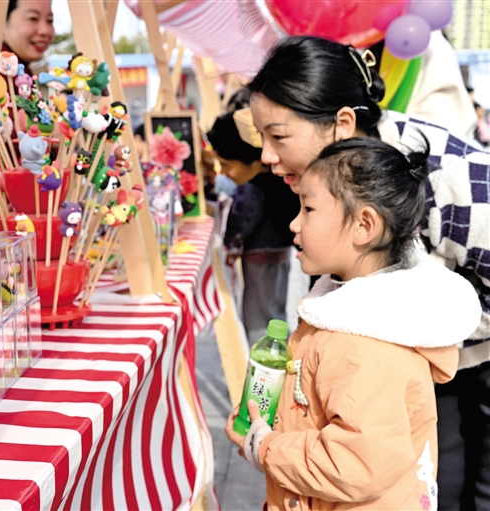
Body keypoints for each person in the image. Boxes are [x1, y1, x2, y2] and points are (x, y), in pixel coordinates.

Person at [244, 35, 490, 510]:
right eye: (261, 138)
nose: (268, 156)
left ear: (341, 124)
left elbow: (358, 462)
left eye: (278, 136)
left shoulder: (441, 179)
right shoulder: (334, 187)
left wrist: (428, 326)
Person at [208, 111, 299, 344]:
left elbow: (243, 219)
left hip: (261, 255)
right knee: (272, 308)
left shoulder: (252, 188)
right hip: (279, 252)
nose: (223, 172)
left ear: (258, 160)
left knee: (259, 315)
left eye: (226, 165)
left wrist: (232, 241)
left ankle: (268, 355)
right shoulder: (280, 180)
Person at [2, 0, 54, 74]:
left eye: (50, 20)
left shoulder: (21, 71)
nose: (45, 31)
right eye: (33, 18)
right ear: (1, 20)